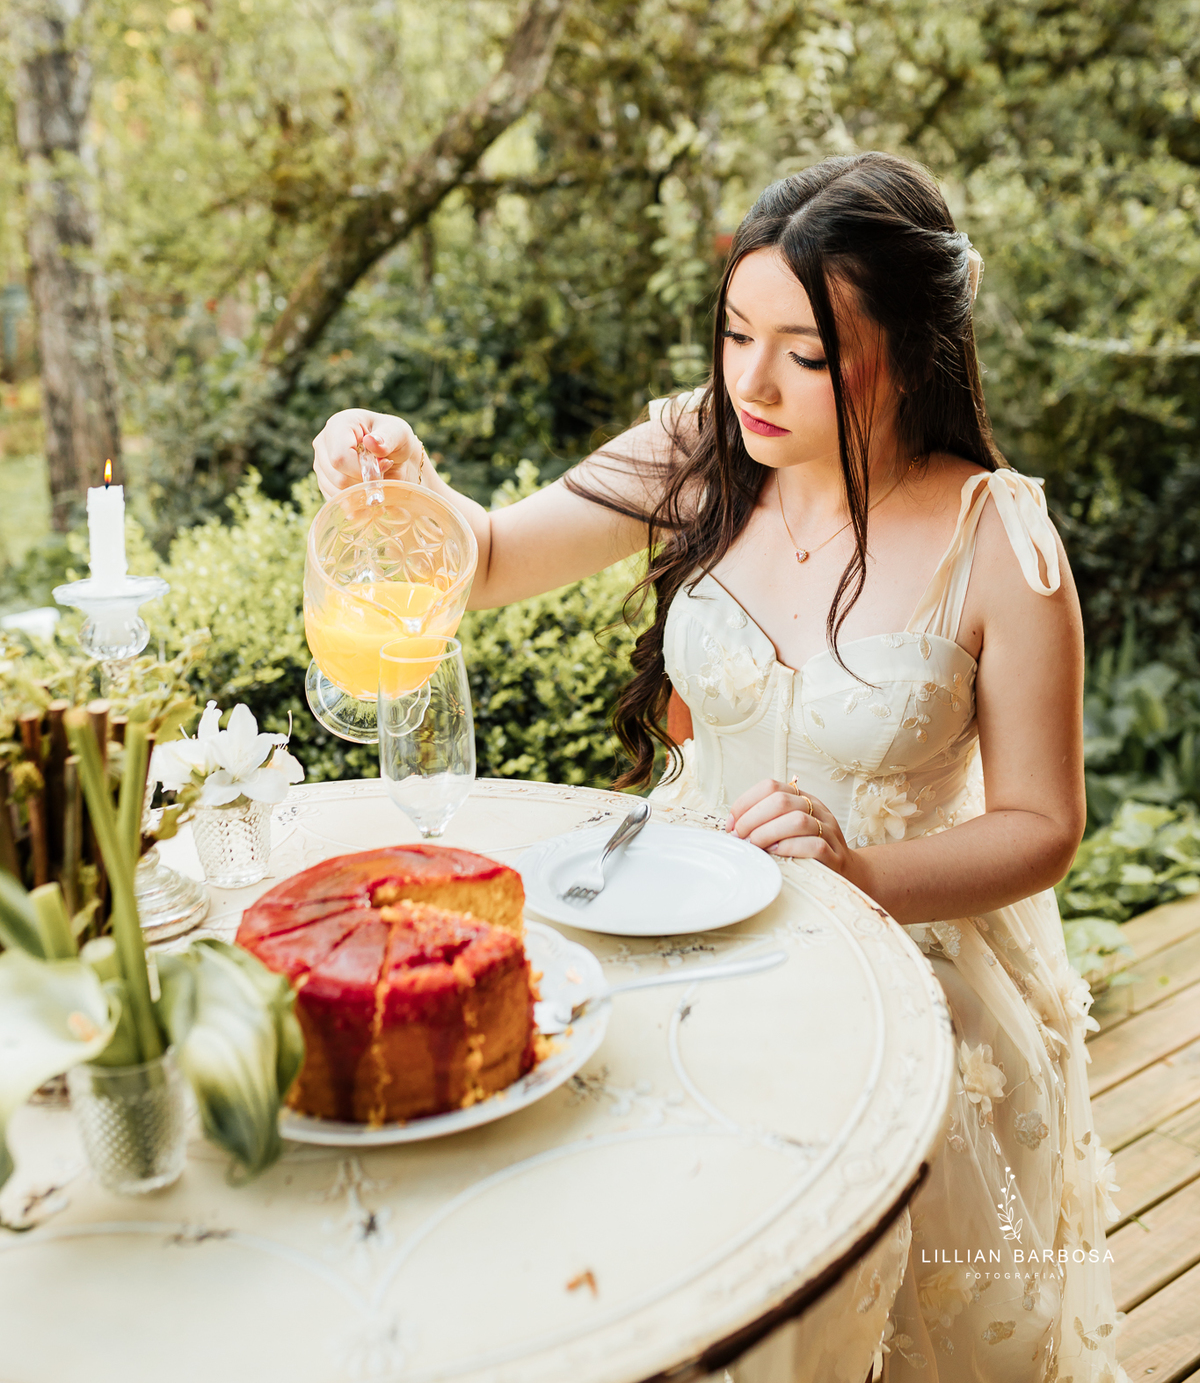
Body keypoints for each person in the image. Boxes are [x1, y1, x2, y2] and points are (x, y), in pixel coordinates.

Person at [312, 152, 1127, 1383]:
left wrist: (861, 871)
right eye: (736, 332)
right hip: (674, 923)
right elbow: (483, 562)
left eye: (802, 352)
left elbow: (1042, 822)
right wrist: (402, 482)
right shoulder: (701, 447)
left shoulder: (998, 539)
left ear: (914, 348)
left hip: (908, 960)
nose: (752, 379)